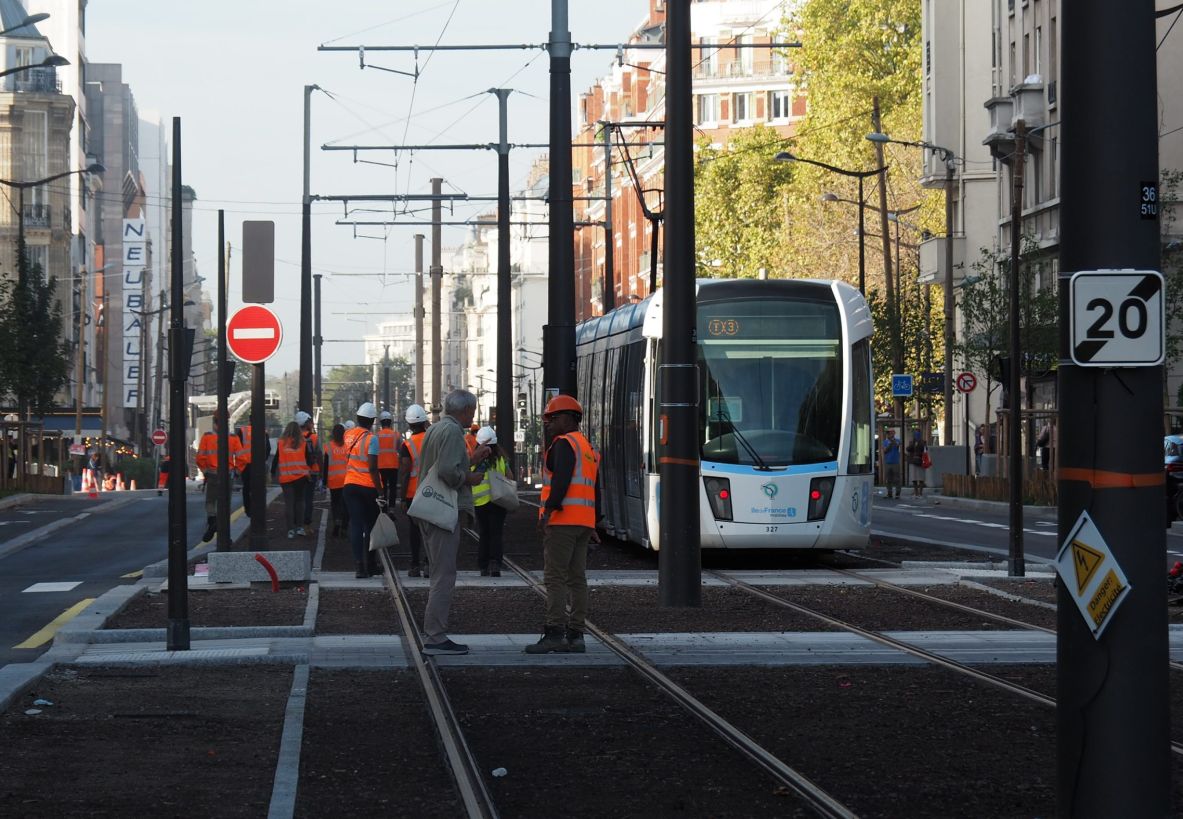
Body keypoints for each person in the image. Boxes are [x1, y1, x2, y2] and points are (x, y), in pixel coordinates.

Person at [414, 390, 489, 656]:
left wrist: (471, 460)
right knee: (444, 575)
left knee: (439, 572)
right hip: (443, 511)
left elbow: (443, 464)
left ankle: (435, 633)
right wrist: (469, 478)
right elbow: (448, 472)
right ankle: (435, 636)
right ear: (466, 410)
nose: (474, 414)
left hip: (430, 507)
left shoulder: (436, 429)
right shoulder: (454, 432)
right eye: (474, 410)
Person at [526, 395, 601, 655]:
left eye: (553, 419)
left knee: (555, 578)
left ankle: (554, 633)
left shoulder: (563, 444)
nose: (549, 424)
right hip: (582, 522)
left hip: (563, 521)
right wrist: (593, 524)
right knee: (577, 579)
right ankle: (576, 635)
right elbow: (594, 489)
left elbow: (562, 481)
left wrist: (547, 512)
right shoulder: (587, 448)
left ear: (569, 418)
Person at [342, 402, 383, 578]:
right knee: (371, 526)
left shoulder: (347, 435)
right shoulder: (372, 439)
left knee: (356, 525)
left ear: (358, 418)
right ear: (372, 420)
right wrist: (380, 491)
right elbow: (373, 467)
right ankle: (371, 564)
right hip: (367, 487)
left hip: (350, 485)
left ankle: (359, 566)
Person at [195, 410, 243, 542]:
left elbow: (200, 457)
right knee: (225, 503)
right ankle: (225, 535)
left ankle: (212, 521)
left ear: (214, 423)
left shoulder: (207, 437)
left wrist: (205, 471)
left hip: (212, 474)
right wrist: (237, 471)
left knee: (211, 502)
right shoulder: (233, 438)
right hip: (228, 474)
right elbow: (241, 457)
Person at [397, 404, 430, 577]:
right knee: (431, 530)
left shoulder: (407, 445)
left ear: (409, 424)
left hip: (412, 493)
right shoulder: (433, 439)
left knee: (414, 530)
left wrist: (402, 498)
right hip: (432, 491)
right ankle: (429, 564)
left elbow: (405, 472)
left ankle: (415, 565)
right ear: (425, 421)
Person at [472, 426, 509, 577]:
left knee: (484, 533)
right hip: (498, 501)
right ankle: (495, 563)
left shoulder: (474, 459)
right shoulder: (501, 459)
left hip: (480, 502)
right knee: (496, 533)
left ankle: (483, 565)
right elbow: (510, 477)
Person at [273, 421, 311, 540]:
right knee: (300, 502)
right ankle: (299, 527)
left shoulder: (281, 443)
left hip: (286, 477)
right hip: (300, 477)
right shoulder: (303, 442)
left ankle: (290, 530)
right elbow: (309, 459)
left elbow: (276, 459)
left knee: (289, 504)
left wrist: (272, 472)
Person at [324, 423, 351, 538]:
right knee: (346, 505)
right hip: (347, 480)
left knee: (335, 504)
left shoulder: (328, 447)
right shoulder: (348, 446)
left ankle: (337, 522)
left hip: (333, 480)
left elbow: (325, 465)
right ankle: (344, 528)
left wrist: (324, 480)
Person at [296, 411, 321, 528]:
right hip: (312, 472)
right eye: (310, 422)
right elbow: (319, 455)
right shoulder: (314, 437)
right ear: (306, 424)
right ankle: (307, 522)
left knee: (299, 498)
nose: (312, 424)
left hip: (298, 472)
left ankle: (298, 522)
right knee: (309, 498)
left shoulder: (294, 438)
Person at [376, 410, 400, 508]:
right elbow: (400, 449)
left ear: (381, 422)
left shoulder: (376, 436)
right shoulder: (396, 435)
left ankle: (383, 509)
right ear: (390, 422)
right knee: (393, 488)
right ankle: (392, 510)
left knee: (383, 488)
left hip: (380, 466)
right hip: (393, 465)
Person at [905, 429, 927, 497]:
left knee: (921, 478)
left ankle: (920, 492)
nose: (916, 435)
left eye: (918, 434)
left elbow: (925, 450)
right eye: (915, 434)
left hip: (920, 461)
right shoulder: (912, 442)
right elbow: (908, 449)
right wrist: (913, 444)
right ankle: (916, 492)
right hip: (913, 461)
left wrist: (920, 443)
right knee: (914, 478)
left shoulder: (923, 442)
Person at [881, 429, 901, 499]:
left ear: (894, 433)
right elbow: (885, 451)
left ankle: (897, 493)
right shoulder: (885, 442)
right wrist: (890, 444)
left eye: (890, 433)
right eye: (888, 433)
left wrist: (893, 441)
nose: (889, 434)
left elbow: (898, 445)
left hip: (896, 462)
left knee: (897, 478)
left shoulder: (897, 440)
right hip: (888, 462)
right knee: (888, 479)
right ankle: (889, 493)